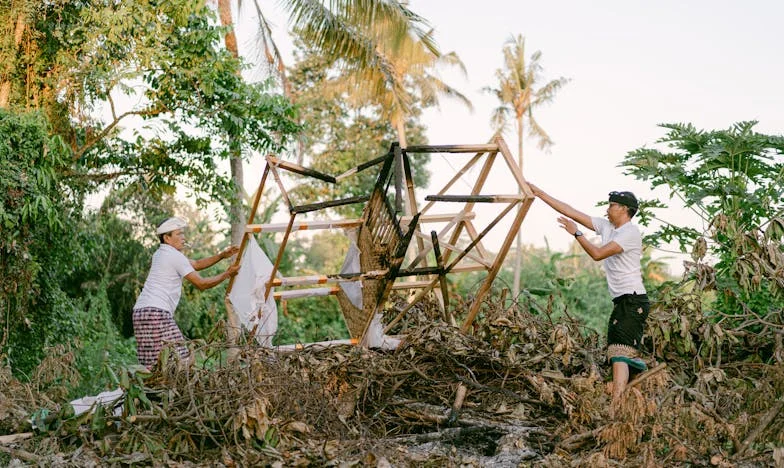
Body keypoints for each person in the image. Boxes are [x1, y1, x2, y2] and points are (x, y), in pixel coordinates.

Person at [529, 184, 650, 405]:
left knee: (619, 351)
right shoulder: (608, 227)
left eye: (612, 206)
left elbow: (597, 254)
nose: (607, 210)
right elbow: (571, 211)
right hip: (623, 299)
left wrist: (577, 233)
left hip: (633, 299)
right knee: (616, 348)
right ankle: (633, 377)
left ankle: (617, 401)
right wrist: (540, 193)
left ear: (624, 209)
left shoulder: (629, 233)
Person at [132, 217, 240, 368]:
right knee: (181, 359)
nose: (184, 237)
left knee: (151, 365)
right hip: (156, 312)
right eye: (179, 234)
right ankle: (178, 390)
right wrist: (227, 274)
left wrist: (222, 255)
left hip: (141, 312)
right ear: (167, 238)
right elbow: (201, 284)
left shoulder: (161, 254)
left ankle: (150, 391)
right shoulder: (174, 256)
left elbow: (195, 264)